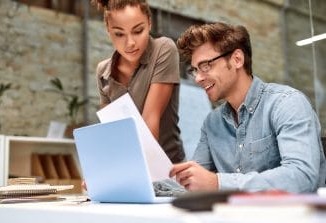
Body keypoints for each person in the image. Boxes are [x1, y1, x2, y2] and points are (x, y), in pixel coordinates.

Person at [170, 22, 326, 193]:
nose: (198, 78)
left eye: (206, 66)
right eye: (194, 70)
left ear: (237, 59)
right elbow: (193, 181)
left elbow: (302, 176)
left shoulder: (287, 103)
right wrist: (151, 184)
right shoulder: (212, 123)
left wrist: (218, 183)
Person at [92, 0, 185, 163]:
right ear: (108, 29)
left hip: (170, 169)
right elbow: (111, 133)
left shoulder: (163, 49)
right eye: (119, 34)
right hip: (130, 168)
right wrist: (103, 170)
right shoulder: (103, 72)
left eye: (138, 31)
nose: (130, 43)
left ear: (149, 23)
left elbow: (150, 121)